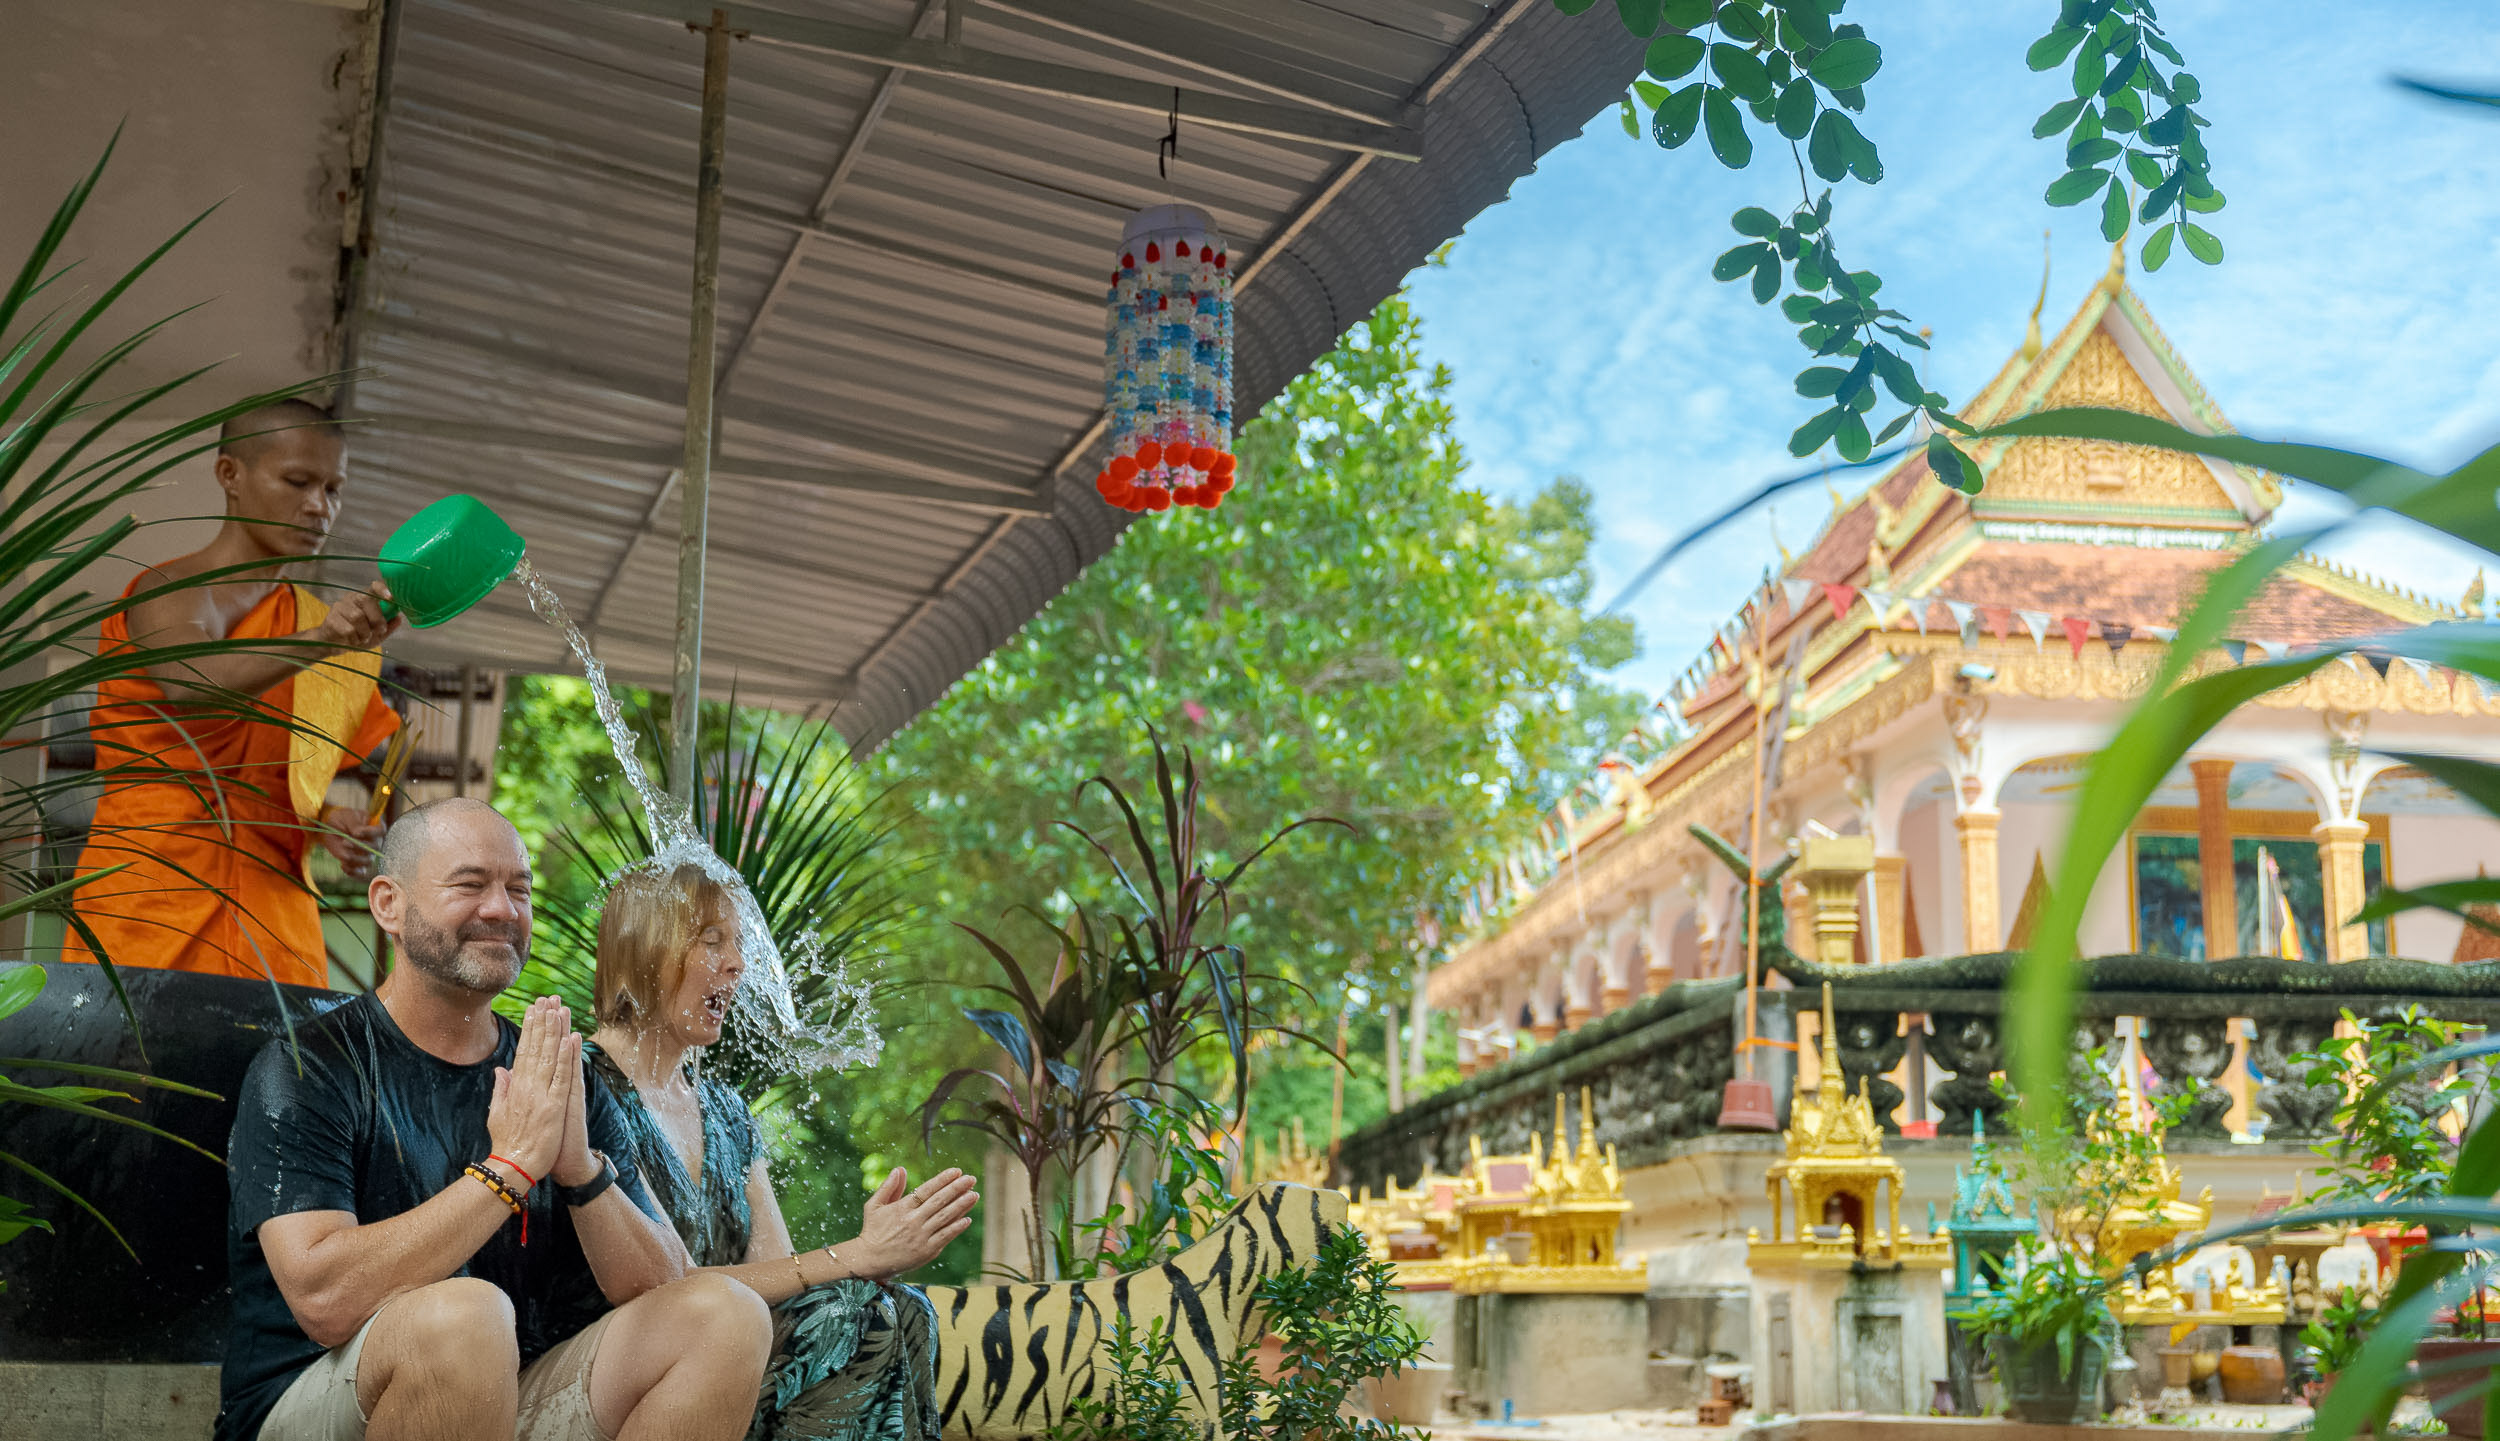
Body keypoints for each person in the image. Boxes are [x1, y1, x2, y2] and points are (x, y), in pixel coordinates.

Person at [219, 797, 773, 1441]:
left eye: (519, 889)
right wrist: (508, 1169)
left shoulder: (560, 1074)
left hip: (510, 1392)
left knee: (723, 1315)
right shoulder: (308, 1066)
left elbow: (664, 1284)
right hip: (317, 1395)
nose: (502, 910)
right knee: (467, 1319)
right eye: (470, 884)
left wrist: (579, 1169)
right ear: (387, 905)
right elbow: (325, 1300)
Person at [583, 863, 976, 1441]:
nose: (737, 964)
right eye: (711, 941)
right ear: (645, 946)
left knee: (897, 1308)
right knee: (852, 1313)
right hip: (626, 1359)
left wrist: (870, 1258)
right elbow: (674, 1282)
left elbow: (780, 1278)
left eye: (738, 944)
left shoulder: (725, 1108)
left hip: (729, 1346)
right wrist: (855, 1253)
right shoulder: (587, 1087)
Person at [68, 398, 403, 988]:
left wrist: (327, 822)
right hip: (150, 896)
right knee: (130, 1077)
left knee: (278, 1079)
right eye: (297, 481)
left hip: (274, 919)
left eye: (333, 488)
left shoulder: (306, 621)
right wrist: (323, 638)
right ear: (230, 476)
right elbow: (190, 684)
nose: (318, 507)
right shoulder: (168, 591)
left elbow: (268, 784)